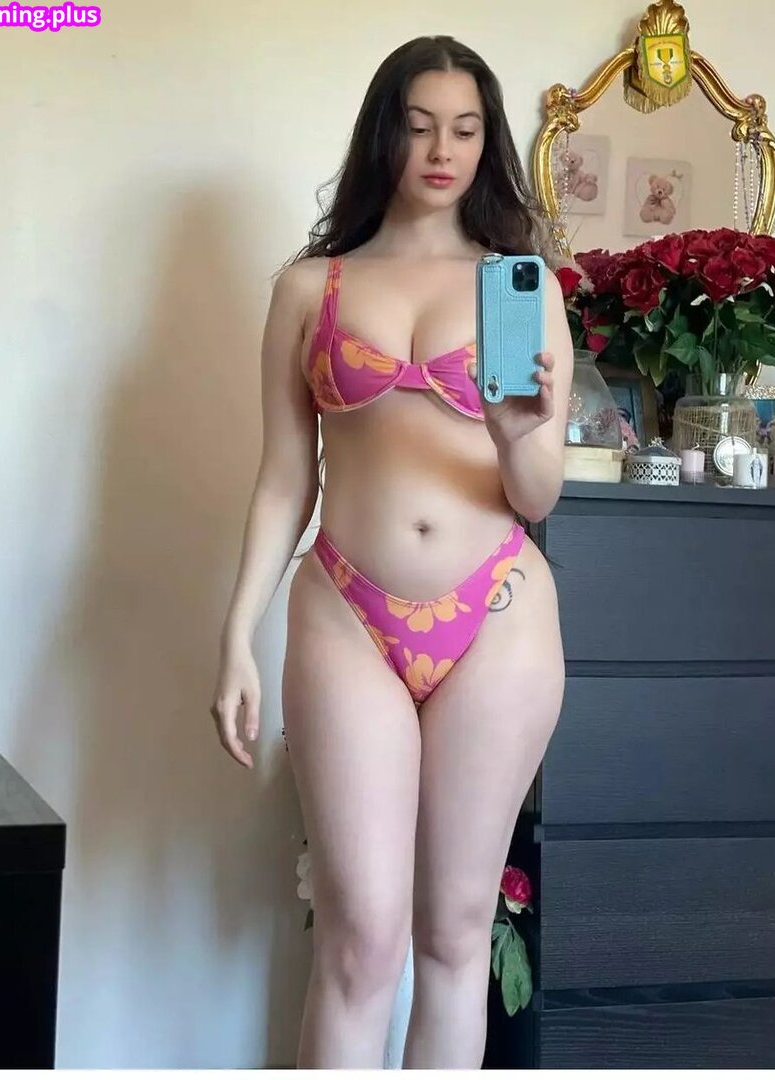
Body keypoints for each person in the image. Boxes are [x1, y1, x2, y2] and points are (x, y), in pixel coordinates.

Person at [211, 35, 572, 1069]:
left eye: (464, 129)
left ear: (487, 142)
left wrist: (515, 434)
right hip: (345, 610)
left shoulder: (519, 286)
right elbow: (285, 477)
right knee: (359, 942)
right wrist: (235, 635)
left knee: (455, 937)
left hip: (497, 614)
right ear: (385, 135)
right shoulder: (310, 287)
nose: (441, 151)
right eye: (418, 128)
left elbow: (537, 493)